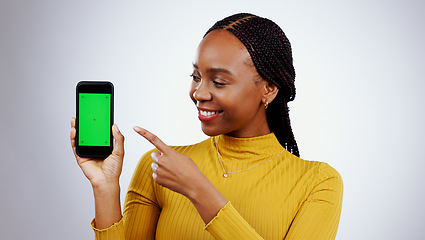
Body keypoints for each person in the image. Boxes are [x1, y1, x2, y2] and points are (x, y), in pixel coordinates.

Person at [70, 13, 343, 239]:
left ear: (269, 89)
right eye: (196, 76)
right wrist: (105, 188)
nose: (199, 93)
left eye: (219, 81)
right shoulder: (159, 167)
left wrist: (199, 190)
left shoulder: (318, 183)